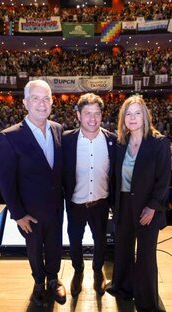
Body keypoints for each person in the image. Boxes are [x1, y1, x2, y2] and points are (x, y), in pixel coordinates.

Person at [0, 79, 66, 307]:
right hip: (30, 212)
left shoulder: (58, 129)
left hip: (56, 207)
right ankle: (38, 283)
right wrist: (17, 214)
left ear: (52, 101)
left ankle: (54, 279)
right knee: (35, 250)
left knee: (55, 245)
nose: (41, 103)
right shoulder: (10, 136)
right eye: (35, 98)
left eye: (46, 98)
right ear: (25, 102)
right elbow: (6, 181)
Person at [106, 95, 170, 312]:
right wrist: (115, 206)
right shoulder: (120, 143)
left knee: (145, 255)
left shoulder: (159, 142)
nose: (132, 118)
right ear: (123, 118)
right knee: (122, 249)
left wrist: (152, 206)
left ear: (145, 116)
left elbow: (163, 179)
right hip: (124, 204)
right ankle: (123, 288)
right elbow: (115, 177)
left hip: (147, 207)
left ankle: (146, 301)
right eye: (128, 114)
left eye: (137, 113)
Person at [62, 93, 116, 297]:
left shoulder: (112, 140)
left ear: (102, 115)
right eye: (87, 113)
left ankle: (97, 271)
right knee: (74, 241)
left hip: (101, 203)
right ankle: (78, 271)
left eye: (97, 113)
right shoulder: (66, 140)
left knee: (100, 241)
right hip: (75, 204)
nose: (92, 119)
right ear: (78, 115)